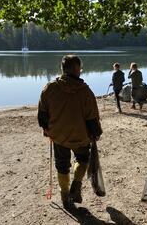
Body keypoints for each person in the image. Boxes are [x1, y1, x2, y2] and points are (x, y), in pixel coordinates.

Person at [38, 55, 103, 209]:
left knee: (62, 166)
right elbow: (92, 117)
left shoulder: (50, 88)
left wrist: (47, 129)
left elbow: (42, 115)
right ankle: (77, 183)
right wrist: (96, 133)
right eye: (80, 68)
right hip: (81, 136)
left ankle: (65, 196)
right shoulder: (85, 91)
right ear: (74, 69)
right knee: (83, 160)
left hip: (59, 136)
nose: (80, 71)